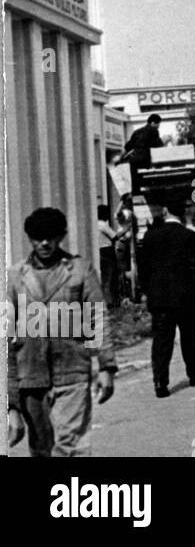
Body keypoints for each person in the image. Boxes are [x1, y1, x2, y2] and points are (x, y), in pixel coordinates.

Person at [7, 208, 116, 456]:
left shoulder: (79, 270)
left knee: (71, 446)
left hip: (72, 370)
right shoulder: (14, 277)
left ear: (62, 236)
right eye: (37, 237)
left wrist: (106, 366)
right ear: (29, 238)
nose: (44, 243)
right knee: (42, 449)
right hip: (30, 375)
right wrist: (10, 403)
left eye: (51, 236)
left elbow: (97, 318)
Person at [138, 196, 195, 398]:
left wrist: (147, 292)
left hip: (159, 298)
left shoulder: (150, 237)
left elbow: (143, 270)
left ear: (166, 210)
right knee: (190, 336)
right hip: (185, 296)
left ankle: (160, 383)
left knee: (161, 340)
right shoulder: (190, 237)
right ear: (183, 213)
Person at [114, 193, 138, 303]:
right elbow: (118, 214)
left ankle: (128, 293)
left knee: (129, 269)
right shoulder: (125, 212)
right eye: (129, 200)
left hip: (129, 244)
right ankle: (123, 295)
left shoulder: (132, 213)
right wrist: (121, 202)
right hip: (123, 244)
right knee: (122, 270)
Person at [97, 204, 120, 308]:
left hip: (99, 251)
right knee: (111, 276)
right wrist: (126, 229)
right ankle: (111, 302)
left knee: (105, 277)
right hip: (107, 251)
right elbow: (115, 236)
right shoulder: (102, 224)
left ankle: (107, 300)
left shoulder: (95, 224)